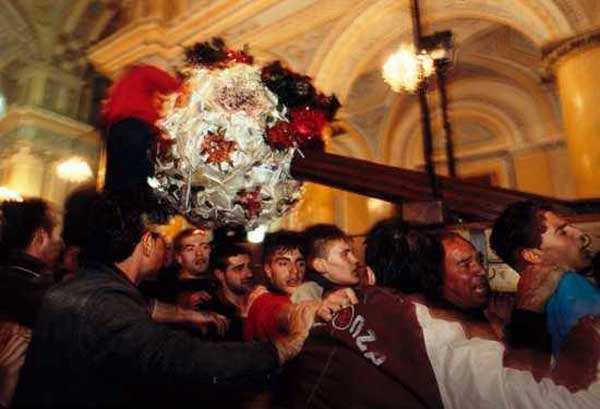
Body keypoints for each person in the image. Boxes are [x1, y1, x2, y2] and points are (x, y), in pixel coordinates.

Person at [12, 192, 310, 408]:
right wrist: (281, 348)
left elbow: (143, 307)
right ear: (145, 243)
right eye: (159, 237)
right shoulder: (106, 306)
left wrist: (189, 315)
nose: (165, 245)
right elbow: (188, 359)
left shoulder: (90, 284)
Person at [276, 217, 600, 409]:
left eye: (479, 261)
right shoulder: (438, 343)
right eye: (463, 264)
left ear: (372, 272)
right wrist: (587, 332)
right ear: (439, 279)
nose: (479, 272)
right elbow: (563, 400)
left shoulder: (347, 309)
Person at [490, 200, 600, 355]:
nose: (579, 233)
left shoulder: (542, 300)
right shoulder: (570, 284)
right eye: (562, 232)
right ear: (533, 255)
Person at [244, 230, 356, 342]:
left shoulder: (311, 289)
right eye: (283, 263)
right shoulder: (262, 300)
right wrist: (317, 310)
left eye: (300, 264)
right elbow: (288, 314)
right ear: (268, 270)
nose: (294, 271)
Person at [200, 243, 256, 341]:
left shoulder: (258, 300)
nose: (249, 274)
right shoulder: (213, 313)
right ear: (220, 274)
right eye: (239, 269)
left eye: (249, 267)